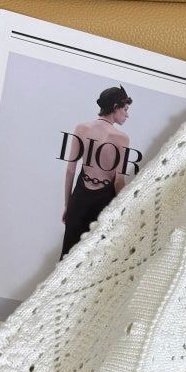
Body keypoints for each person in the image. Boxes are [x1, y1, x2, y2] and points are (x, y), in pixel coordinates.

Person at [60, 85, 133, 260]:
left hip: (79, 198)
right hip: (103, 202)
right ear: (115, 107)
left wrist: (67, 205)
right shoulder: (122, 138)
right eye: (125, 109)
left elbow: (70, 170)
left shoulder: (81, 128)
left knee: (67, 256)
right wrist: (123, 211)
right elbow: (119, 182)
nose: (127, 115)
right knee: (92, 258)